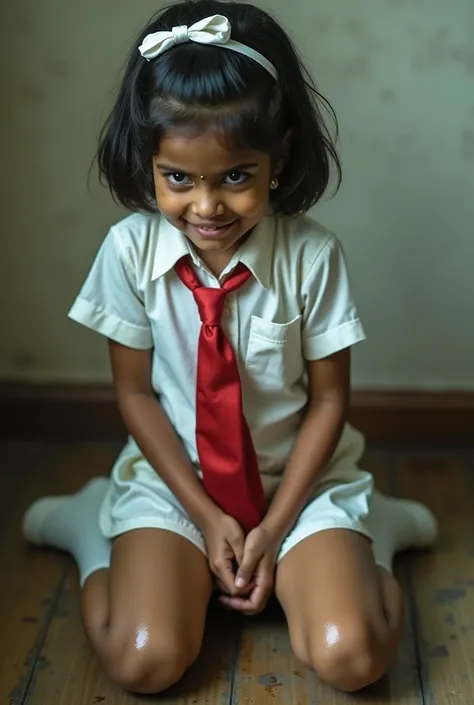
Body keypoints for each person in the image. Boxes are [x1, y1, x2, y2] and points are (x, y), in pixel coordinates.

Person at [22, 0, 438, 695]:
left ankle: (375, 535)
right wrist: (210, 517)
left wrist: (273, 528)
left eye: (236, 176)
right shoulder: (128, 252)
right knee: (144, 658)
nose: (207, 206)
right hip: (176, 481)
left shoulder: (313, 255)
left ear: (278, 161)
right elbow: (133, 393)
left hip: (299, 485)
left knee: (352, 655)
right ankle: (94, 528)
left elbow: (331, 400)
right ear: (148, 163)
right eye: (178, 179)